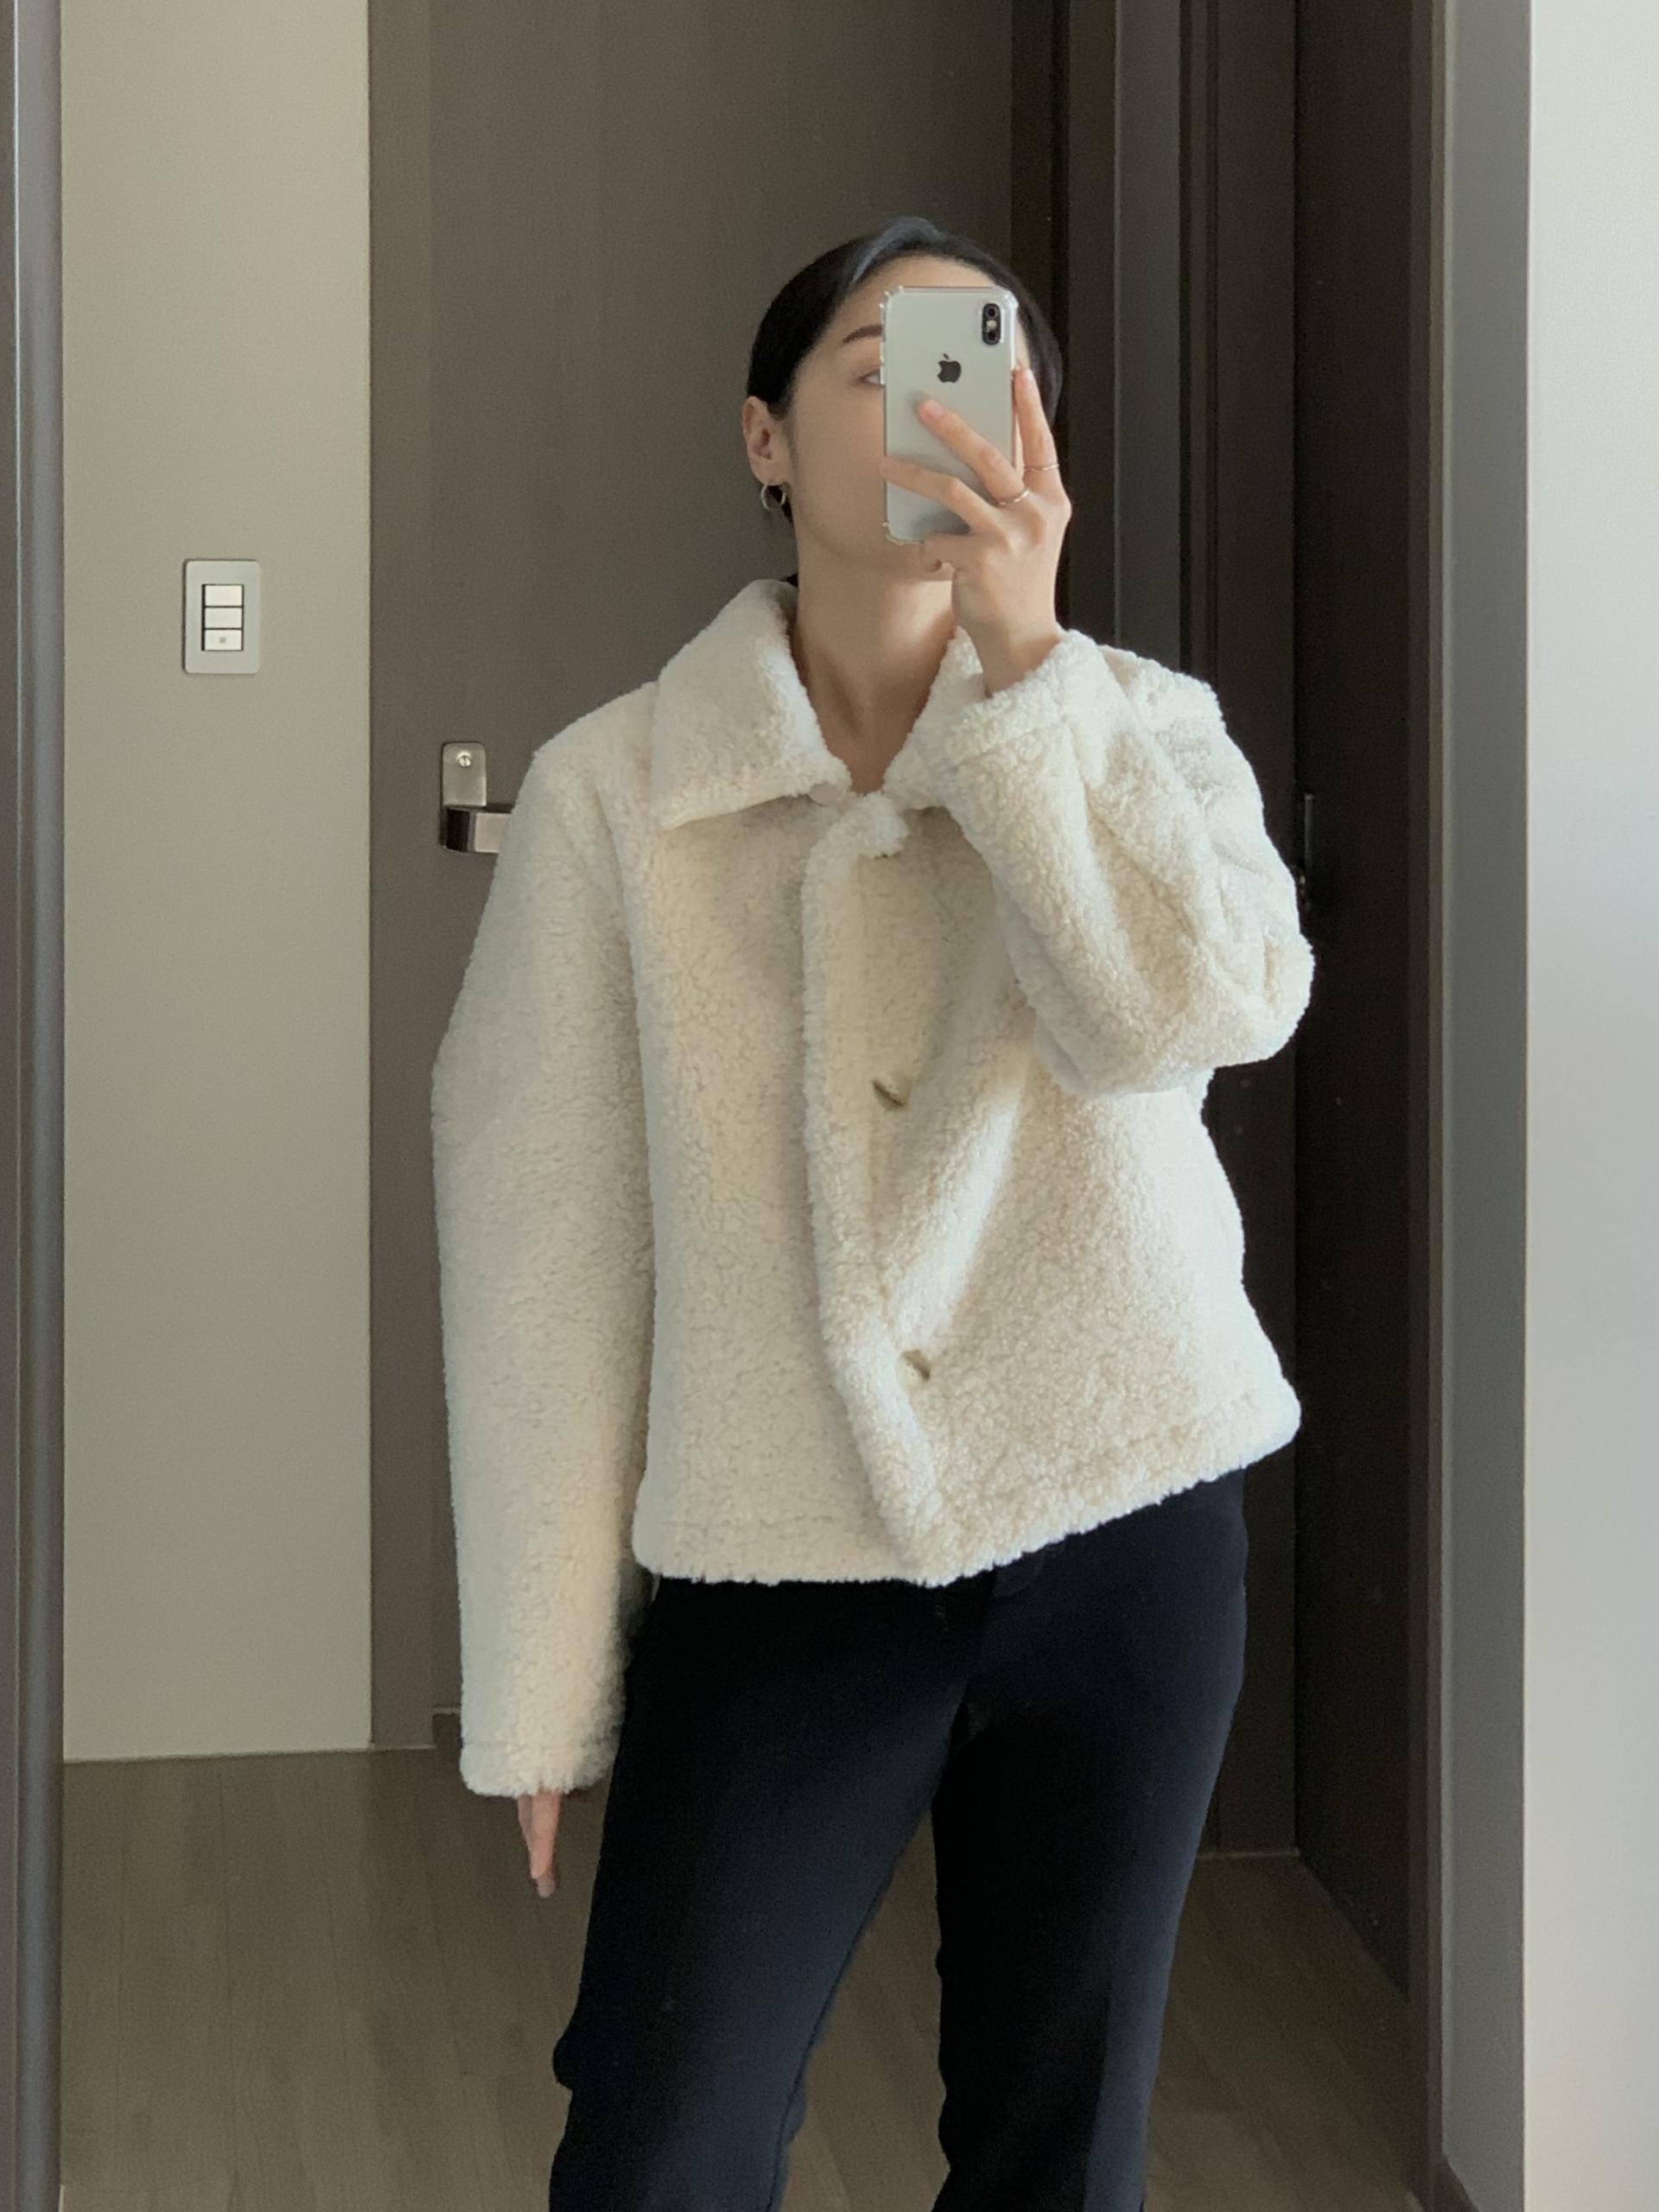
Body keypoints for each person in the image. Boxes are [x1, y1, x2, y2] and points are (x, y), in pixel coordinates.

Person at [429, 213, 1316, 2212]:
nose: (940, 415)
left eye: (982, 371)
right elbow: (546, 1244)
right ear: (765, 438)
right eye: (878, 368)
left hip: (1123, 1520)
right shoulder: (614, 793)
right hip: (777, 1554)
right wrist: (544, 1675)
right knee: (658, 2142)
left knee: (1058, 2149)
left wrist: (1030, 677)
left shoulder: (1136, 725)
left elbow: (1192, 1017)